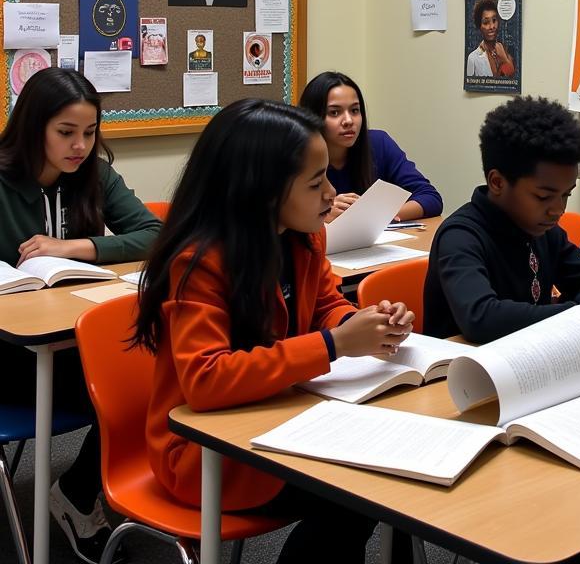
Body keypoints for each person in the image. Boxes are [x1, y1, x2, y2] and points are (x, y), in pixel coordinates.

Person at [133, 99, 415, 564]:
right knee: (360, 492)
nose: (331, 193)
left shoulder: (305, 235)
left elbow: (326, 304)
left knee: (392, 472)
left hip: (282, 414)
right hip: (203, 449)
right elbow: (205, 381)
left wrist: (362, 325)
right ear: (262, 191)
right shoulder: (200, 262)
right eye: (314, 182)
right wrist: (335, 344)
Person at [0, 68, 161, 563]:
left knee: (155, 373)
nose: (80, 146)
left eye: (90, 133)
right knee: (124, 385)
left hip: (72, 340)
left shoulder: (94, 174)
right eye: (66, 133)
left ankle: (75, 490)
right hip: (10, 355)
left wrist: (76, 247)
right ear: (34, 128)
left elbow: (154, 234)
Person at [423, 96, 580, 345]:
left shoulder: (543, 230)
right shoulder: (460, 236)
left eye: (566, 195)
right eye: (544, 196)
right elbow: (482, 319)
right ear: (497, 182)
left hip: (528, 361)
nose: (558, 209)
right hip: (457, 374)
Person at [299, 71, 442, 222]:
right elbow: (279, 212)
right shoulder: (297, 154)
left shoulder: (378, 143)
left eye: (355, 110)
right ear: (312, 116)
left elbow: (430, 197)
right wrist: (322, 213)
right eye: (334, 112)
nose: (348, 121)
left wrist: (377, 215)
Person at [466, 0, 515, 79]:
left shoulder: (507, 52)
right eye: (486, 22)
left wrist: (504, 60)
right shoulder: (473, 59)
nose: (492, 26)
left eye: (494, 20)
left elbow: (511, 82)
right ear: (479, 26)